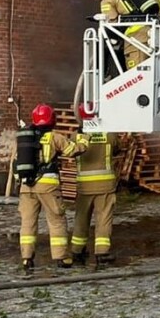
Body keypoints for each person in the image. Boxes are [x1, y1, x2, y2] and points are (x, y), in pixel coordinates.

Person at [18, 103, 86, 275]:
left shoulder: (25, 138)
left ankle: (26, 258)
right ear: (52, 120)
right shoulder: (54, 137)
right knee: (56, 220)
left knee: (27, 223)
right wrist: (83, 140)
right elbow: (73, 150)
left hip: (26, 186)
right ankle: (62, 257)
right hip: (47, 185)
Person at [71, 127, 120, 267]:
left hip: (84, 186)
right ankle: (102, 252)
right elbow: (118, 148)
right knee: (104, 218)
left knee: (81, 218)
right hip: (105, 185)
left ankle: (77, 250)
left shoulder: (76, 136)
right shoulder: (109, 134)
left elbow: (70, 151)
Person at [86, 0, 147, 71]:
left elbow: (111, 24)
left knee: (104, 36)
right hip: (149, 32)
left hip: (134, 38)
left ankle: (101, 71)